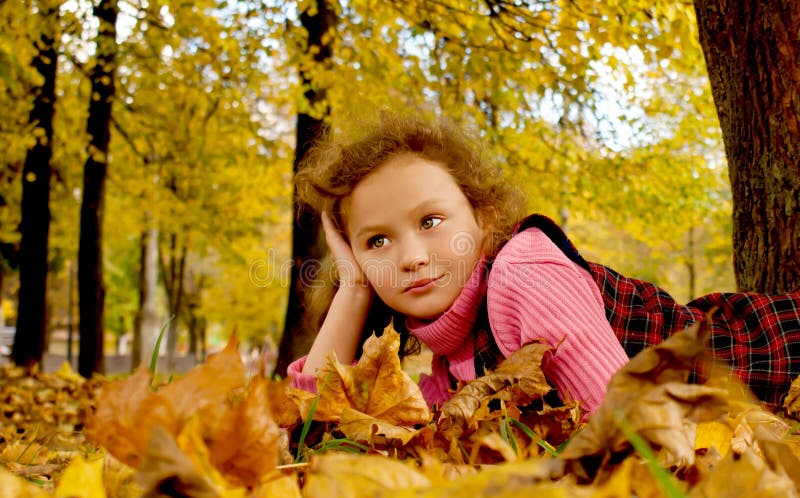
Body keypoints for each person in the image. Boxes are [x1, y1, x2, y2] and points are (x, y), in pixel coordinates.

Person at [287, 112, 800, 415]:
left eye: (430, 222)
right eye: (377, 241)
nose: (413, 258)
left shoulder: (524, 276)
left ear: (483, 218)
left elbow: (626, 432)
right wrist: (353, 289)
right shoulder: (450, 362)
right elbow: (316, 425)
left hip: (777, 353)